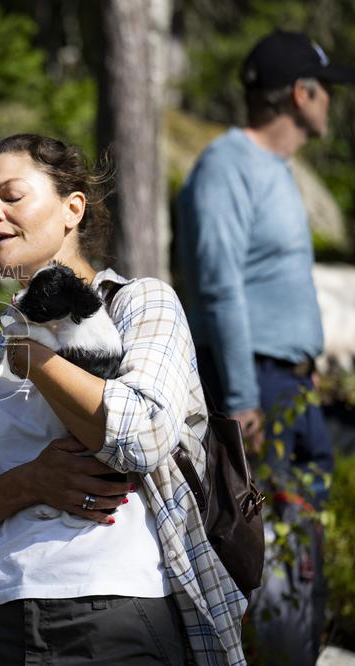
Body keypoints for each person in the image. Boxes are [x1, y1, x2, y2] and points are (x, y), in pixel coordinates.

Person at [0, 134, 247, 665]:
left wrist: (37, 360)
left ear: (72, 209)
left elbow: (141, 437)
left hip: (113, 614)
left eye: (11, 196)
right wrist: (27, 483)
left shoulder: (141, 306)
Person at [176, 30, 355, 664]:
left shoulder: (276, 170)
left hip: (289, 383)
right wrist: (243, 398)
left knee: (299, 533)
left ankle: (296, 651)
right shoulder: (227, 166)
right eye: (326, 89)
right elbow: (219, 284)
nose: (331, 101)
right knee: (264, 541)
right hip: (252, 384)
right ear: (301, 94)